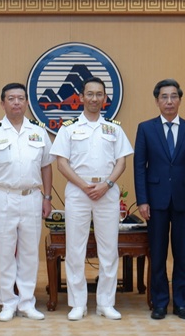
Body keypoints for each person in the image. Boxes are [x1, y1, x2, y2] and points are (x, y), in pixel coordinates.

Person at [50, 77, 133, 321]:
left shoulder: (114, 129)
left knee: (109, 250)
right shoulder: (68, 128)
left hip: (107, 191)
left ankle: (106, 303)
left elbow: (121, 162)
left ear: (105, 99)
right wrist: (83, 185)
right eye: (90, 94)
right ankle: (78, 304)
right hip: (79, 192)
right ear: (81, 97)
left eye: (99, 94)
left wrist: (106, 184)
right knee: (75, 249)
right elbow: (61, 163)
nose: (94, 98)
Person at [0, 82, 54, 322]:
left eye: (20, 98)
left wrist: (47, 197)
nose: (16, 102)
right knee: (4, 252)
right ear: (2, 103)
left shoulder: (38, 131)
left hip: (31, 197)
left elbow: (47, 166)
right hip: (3, 197)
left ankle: (26, 302)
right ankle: (7, 302)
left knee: (29, 253)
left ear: (26, 102)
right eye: (11, 98)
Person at [133, 79, 185, 320]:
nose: (169, 101)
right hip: (155, 201)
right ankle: (160, 302)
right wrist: (142, 200)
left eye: (174, 96)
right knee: (158, 253)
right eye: (164, 97)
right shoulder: (146, 128)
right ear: (157, 101)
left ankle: (181, 303)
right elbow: (139, 167)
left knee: (182, 254)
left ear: (180, 100)